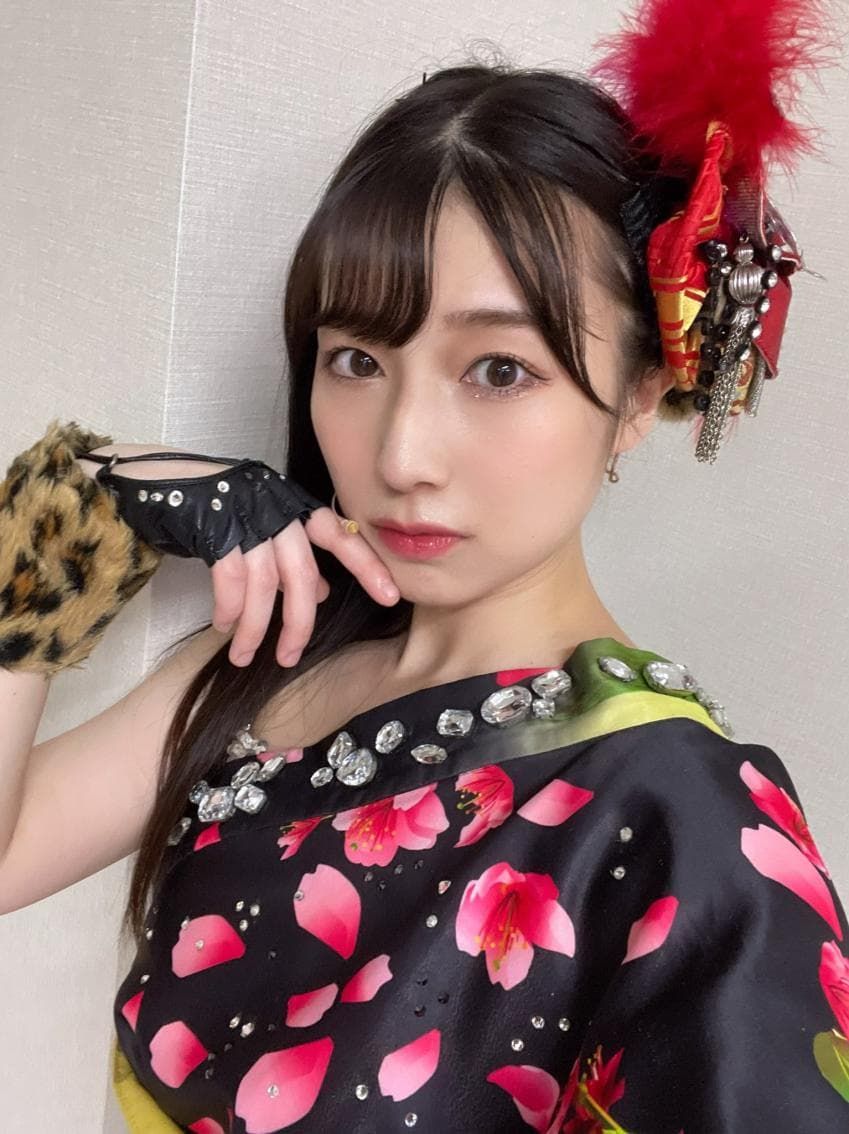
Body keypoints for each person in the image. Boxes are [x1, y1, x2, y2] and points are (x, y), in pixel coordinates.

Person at [2, 1, 847, 1131]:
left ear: (642, 394)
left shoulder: (683, 819)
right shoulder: (267, 663)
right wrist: (74, 510)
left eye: (498, 370)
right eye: (356, 359)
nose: (400, 456)